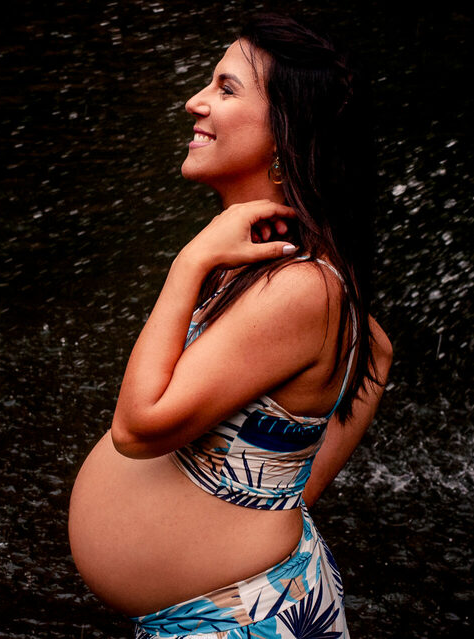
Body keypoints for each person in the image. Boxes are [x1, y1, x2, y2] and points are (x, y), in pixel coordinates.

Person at [68, 13, 393, 638]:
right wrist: (278, 495)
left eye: (225, 88)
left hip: (241, 619)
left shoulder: (299, 284)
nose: (195, 102)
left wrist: (186, 263)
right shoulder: (279, 264)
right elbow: (374, 351)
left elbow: (138, 430)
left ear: (285, 132)